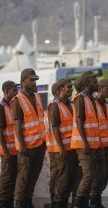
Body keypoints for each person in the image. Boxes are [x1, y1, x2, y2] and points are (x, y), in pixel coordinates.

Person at [12, 68, 46, 208]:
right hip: (27, 147)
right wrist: (22, 145)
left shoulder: (37, 96)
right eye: (31, 80)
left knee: (33, 178)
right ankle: (20, 203)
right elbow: (17, 125)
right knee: (24, 178)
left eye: (35, 80)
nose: (34, 82)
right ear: (23, 80)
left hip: (39, 144)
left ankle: (28, 201)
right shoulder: (17, 100)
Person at [47, 79, 79, 208]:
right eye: (69, 87)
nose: (71, 90)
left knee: (70, 179)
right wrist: (62, 148)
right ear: (60, 89)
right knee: (61, 178)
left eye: (71, 87)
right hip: (60, 150)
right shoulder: (54, 105)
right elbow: (55, 128)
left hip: (72, 148)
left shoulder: (71, 104)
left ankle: (63, 201)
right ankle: (57, 203)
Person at [70, 71, 100, 208]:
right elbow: (79, 121)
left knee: (92, 175)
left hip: (93, 144)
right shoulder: (80, 98)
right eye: (94, 82)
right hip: (83, 144)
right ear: (87, 83)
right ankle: (78, 203)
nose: (97, 84)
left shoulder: (91, 99)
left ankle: (84, 202)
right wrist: (86, 142)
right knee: (88, 175)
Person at [0, 80, 19, 208]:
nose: (17, 92)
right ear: (7, 91)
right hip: (7, 152)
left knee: (12, 180)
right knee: (6, 180)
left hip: (15, 150)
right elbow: (0, 130)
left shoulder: (12, 106)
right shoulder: (1, 107)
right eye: (14, 90)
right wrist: (6, 152)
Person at [91, 79, 108, 208]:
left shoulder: (107, 105)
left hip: (106, 145)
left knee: (104, 175)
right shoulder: (93, 104)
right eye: (107, 89)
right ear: (100, 89)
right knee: (97, 175)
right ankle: (94, 201)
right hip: (97, 146)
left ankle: (96, 198)